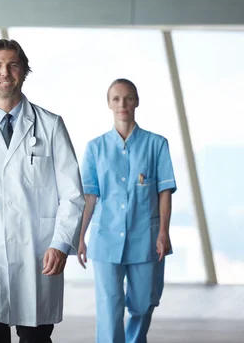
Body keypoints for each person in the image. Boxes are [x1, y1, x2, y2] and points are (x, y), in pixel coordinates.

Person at [0, 39, 85, 343]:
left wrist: (61, 243)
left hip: (37, 252)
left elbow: (73, 194)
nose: (4, 72)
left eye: (12, 65)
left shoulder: (50, 125)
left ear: (24, 72)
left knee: (36, 338)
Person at [77, 78, 176, 343]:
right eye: (117, 99)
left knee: (144, 302)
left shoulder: (157, 144)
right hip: (105, 237)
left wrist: (164, 233)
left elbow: (164, 192)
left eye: (128, 98)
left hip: (146, 237)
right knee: (109, 306)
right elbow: (89, 197)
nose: (123, 104)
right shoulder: (95, 148)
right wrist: (80, 236)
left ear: (137, 102)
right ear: (109, 104)